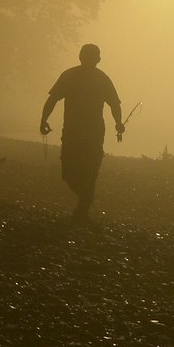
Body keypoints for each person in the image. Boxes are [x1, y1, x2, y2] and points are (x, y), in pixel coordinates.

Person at [40, 44, 124, 221]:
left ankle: (84, 206)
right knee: (69, 171)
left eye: (91, 57)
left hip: (92, 131)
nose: (88, 60)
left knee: (90, 167)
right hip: (73, 130)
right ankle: (85, 198)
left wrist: (118, 123)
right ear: (81, 57)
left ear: (97, 60)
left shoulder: (100, 79)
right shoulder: (70, 76)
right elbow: (53, 99)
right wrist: (43, 119)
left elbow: (115, 104)